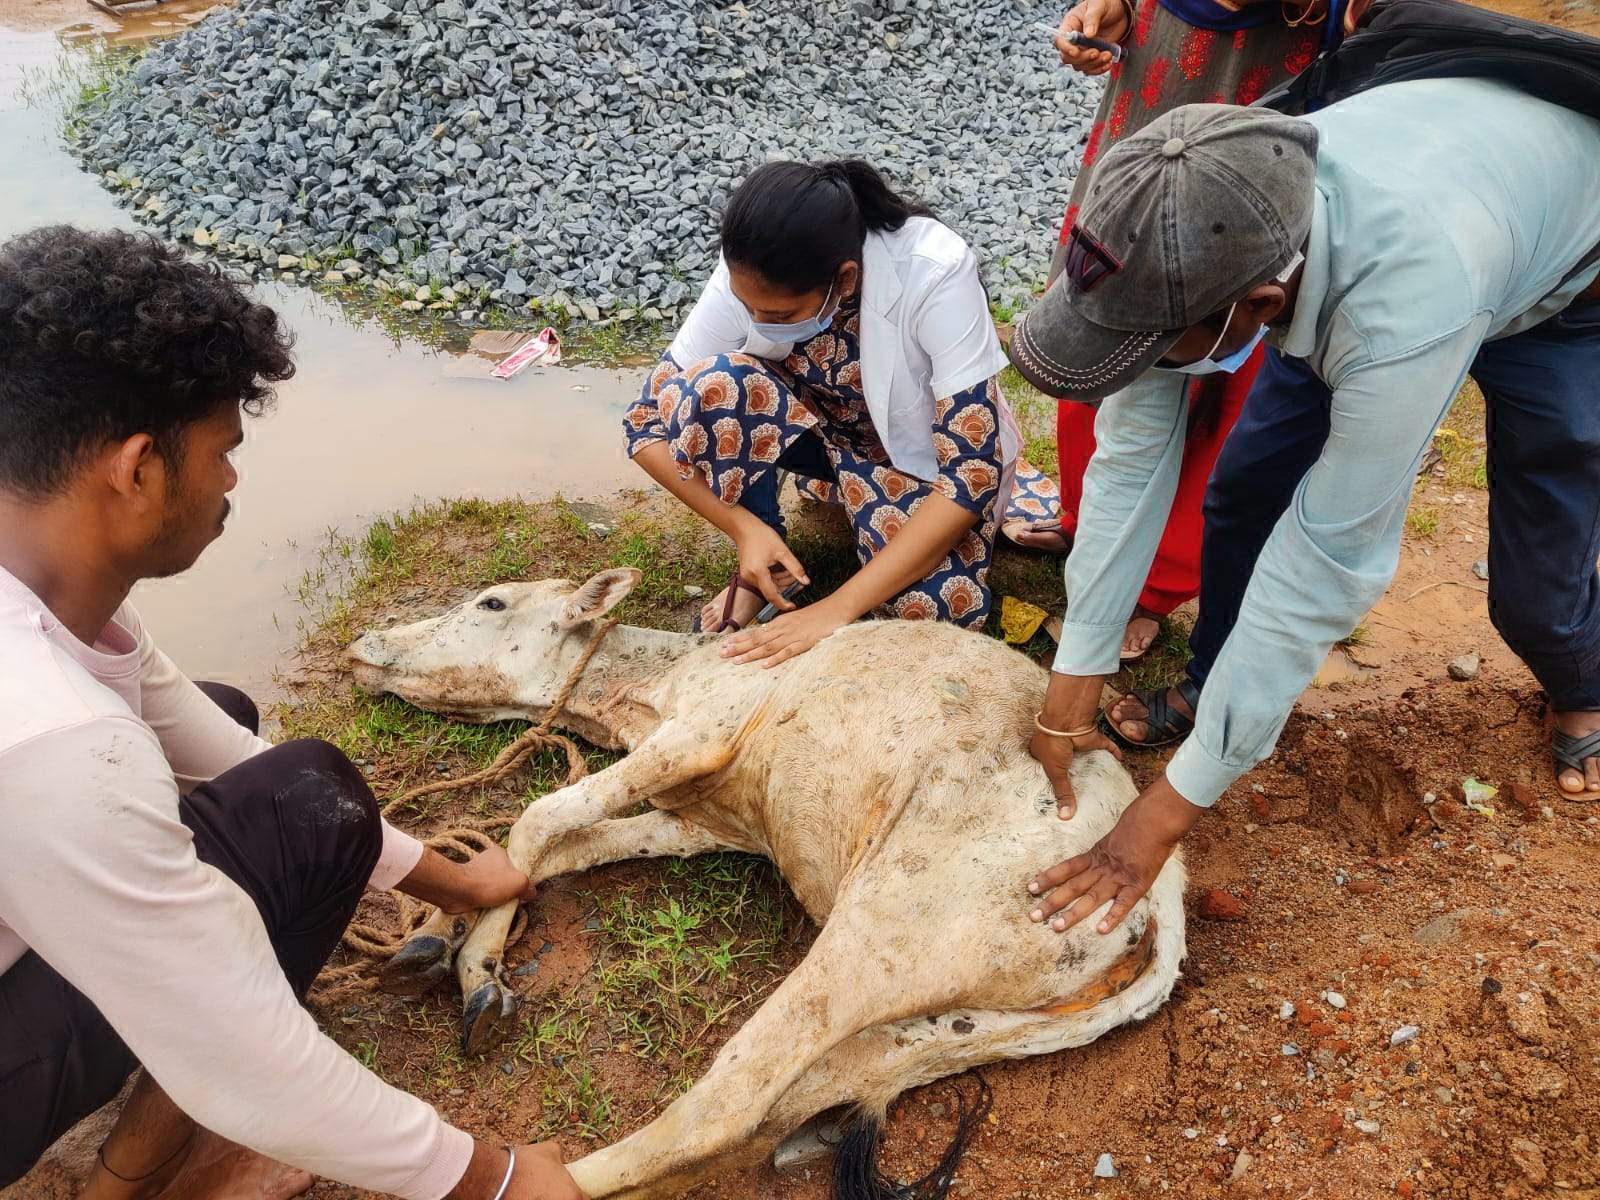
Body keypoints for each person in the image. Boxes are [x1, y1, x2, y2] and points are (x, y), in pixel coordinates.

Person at [0, 227, 582, 1200]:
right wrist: (498, 1179)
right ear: (138, 469)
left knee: (250, 746)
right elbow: (235, 1042)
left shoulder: (53, 604)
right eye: (223, 451)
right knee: (296, 808)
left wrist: (451, 882)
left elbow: (216, 744)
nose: (231, 481)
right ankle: (132, 1175)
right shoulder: (57, 743)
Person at [1004, 84, 1600, 933]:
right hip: (1425, 226)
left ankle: (1584, 681)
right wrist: (1069, 695)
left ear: (1259, 311)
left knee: (1536, 580)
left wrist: (1161, 818)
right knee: (1244, 494)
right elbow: (1129, 468)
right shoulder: (1210, 207)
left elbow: (1329, 560)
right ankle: (1225, 694)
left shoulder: (1398, 313)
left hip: (1567, 291)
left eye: (1151, 344)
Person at [1015, 0, 1360, 659]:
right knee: (1098, 327)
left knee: (1209, 365)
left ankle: (1161, 578)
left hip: (1266, 102)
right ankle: (1087, 527)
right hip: (1155, 100)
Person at [621, 159, 1061, 668]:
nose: (760, 323)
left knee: (930, 615)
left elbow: (969, 478)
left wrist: (833, 610)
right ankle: (766, 567)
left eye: (781, 316)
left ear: (845, 279)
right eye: (750, 309)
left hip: (914, 464)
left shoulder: (934, 267)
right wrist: (744, 528)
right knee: (711, 387)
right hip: (818, 438)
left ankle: (861, 506)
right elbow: (644, 421)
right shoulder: (753, 273)